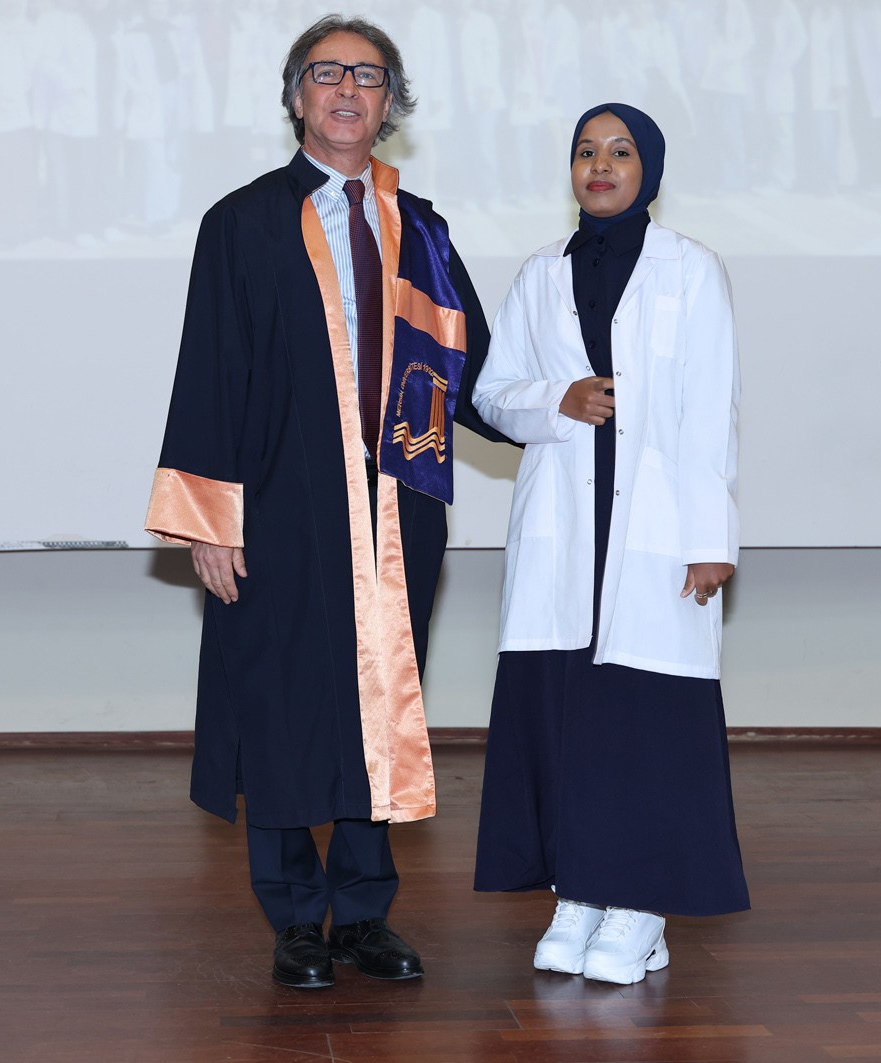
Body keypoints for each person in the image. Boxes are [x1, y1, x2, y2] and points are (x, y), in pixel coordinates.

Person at [144, 15, 507, 991]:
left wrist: (553, 408)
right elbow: (210, 372)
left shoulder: (419, 228)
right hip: (278, 505)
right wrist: (208, 518)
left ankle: (364, 911)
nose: (348, 89)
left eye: (369, 76)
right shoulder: (242, 222)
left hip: (396, 509)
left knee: (379, 699)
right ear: (297, 95)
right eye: (328, 72)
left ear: (391, 105)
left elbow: (473, 366)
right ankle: (297, 918)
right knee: (278, 702)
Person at [471, 103, 747, 985]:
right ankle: (579, 892)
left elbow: (710, 411)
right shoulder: (539, 272)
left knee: (644, 723)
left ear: (648, 170)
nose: (600, 165)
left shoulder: (691, 270)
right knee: (567, 721)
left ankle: (639, 905)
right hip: (564, 534)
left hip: (656, 531)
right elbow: (491, 392)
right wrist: (557, 399)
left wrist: (709, 537)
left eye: (620, 151)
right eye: (586, 151)